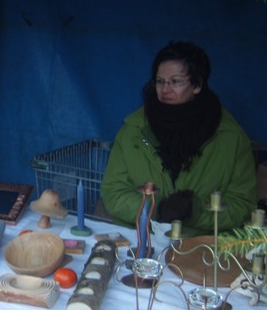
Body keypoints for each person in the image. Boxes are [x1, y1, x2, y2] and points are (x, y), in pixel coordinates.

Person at [100, 41, 256, 236]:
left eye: (175, 81)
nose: (165, 89)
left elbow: (242, 203)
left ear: (197, 84)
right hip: (141, 239)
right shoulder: (133, 131)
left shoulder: (231, 138)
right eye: (159, 81)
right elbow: (113, 192)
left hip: (201, 249)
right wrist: (157, 209)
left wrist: (195, 212)